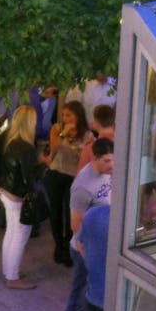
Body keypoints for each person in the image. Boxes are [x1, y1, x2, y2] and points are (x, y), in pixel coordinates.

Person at [61, 138, 113, 311]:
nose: (112, 164)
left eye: (113, 159)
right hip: (85, 249)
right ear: (95, 158)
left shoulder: (108, 173)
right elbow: (76, 224)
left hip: (100, 246)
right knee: (79, 298)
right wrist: (87, 252)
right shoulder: (82, 186)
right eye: (107, 161)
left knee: (89, 294)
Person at [0, 105, 44, 290]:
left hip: (4, 192)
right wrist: (45, 164)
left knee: (11, 233)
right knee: (19, 235)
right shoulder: (26, 147)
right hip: (18, 196)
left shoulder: (6, 136)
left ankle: (9, 271)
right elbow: (31, 177)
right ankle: (12, 277)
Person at [41, 101, 90, 267]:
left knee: (70, 214)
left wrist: (79, 151)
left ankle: (69, 247)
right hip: (55, 173)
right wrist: (62, 134)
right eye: (64, 114)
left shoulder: (87, 134)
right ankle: (58, 246)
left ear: (78, 115)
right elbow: (53, 151)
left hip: (73, 177)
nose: (65, 118)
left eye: (69, 115)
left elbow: (87, 159)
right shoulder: (56, 128)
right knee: (55, 211)